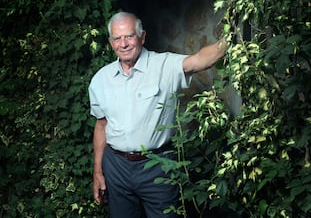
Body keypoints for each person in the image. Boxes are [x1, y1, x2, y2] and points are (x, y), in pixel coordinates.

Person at [88, 11, 226, 217]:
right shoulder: (101, 79)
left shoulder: (164, 65)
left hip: (158, 165)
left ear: (142, 37)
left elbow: (200, 60)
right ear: (110, 42)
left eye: (129, 36)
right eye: (117, 38)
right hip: (116, 167)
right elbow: (101, 126)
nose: (123, 44)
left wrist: (231, 38)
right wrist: (98, 172)